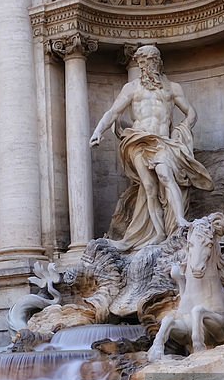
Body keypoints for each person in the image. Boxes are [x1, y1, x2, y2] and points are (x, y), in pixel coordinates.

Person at [90, 45, 214, 250]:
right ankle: (159, 232)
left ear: (158, 62)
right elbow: (113, 113)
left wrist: (182, 129)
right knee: (149, 186)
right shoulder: (131, 88)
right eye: (143, 62)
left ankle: (180, 222)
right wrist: (98, 132)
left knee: (165, 175)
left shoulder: (172, 88)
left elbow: (191, 112)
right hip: (137, 139)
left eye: (151, 61)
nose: (147, 66)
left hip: (161, 141)